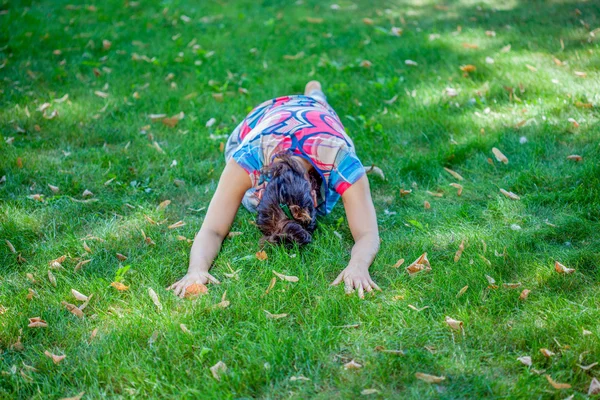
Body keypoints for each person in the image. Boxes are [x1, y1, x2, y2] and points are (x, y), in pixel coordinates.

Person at [168, 81, 381, 298]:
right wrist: (196, 269)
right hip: (264, 119)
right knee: (250, 201)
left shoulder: (342, 160)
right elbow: (212, 229)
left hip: (316, 113)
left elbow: (367, 234)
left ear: (314, 194)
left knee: (319, 103)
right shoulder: (248, 158)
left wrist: (358, 265)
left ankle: (314, 92)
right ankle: (313, 93)